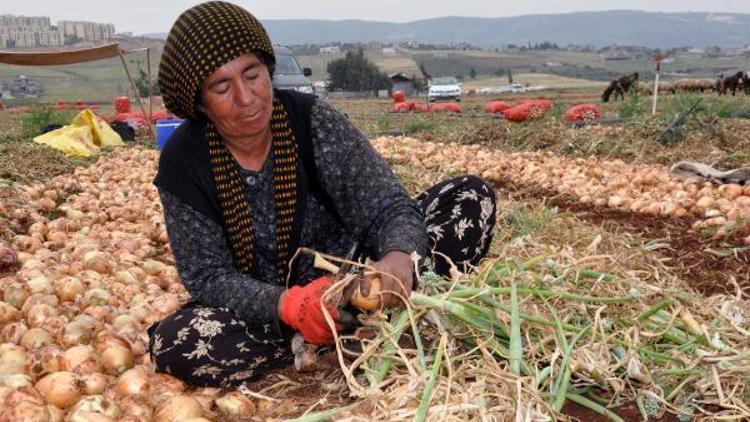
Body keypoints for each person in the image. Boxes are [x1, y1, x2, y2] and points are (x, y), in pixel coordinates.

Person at [149, 1, 496, 388]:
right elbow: (208, 275)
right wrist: (287, 305)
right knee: (177, 344)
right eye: (221, 87)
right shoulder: (183, 163)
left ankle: (367, 318)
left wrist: (398, 259)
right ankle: (331, 335)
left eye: (253, 75)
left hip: (359, 280)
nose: (246, 98)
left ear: (269, 70)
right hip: (272, 311)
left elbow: (387, 206)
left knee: (470, 197)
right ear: (199, 101)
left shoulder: (313, 121)